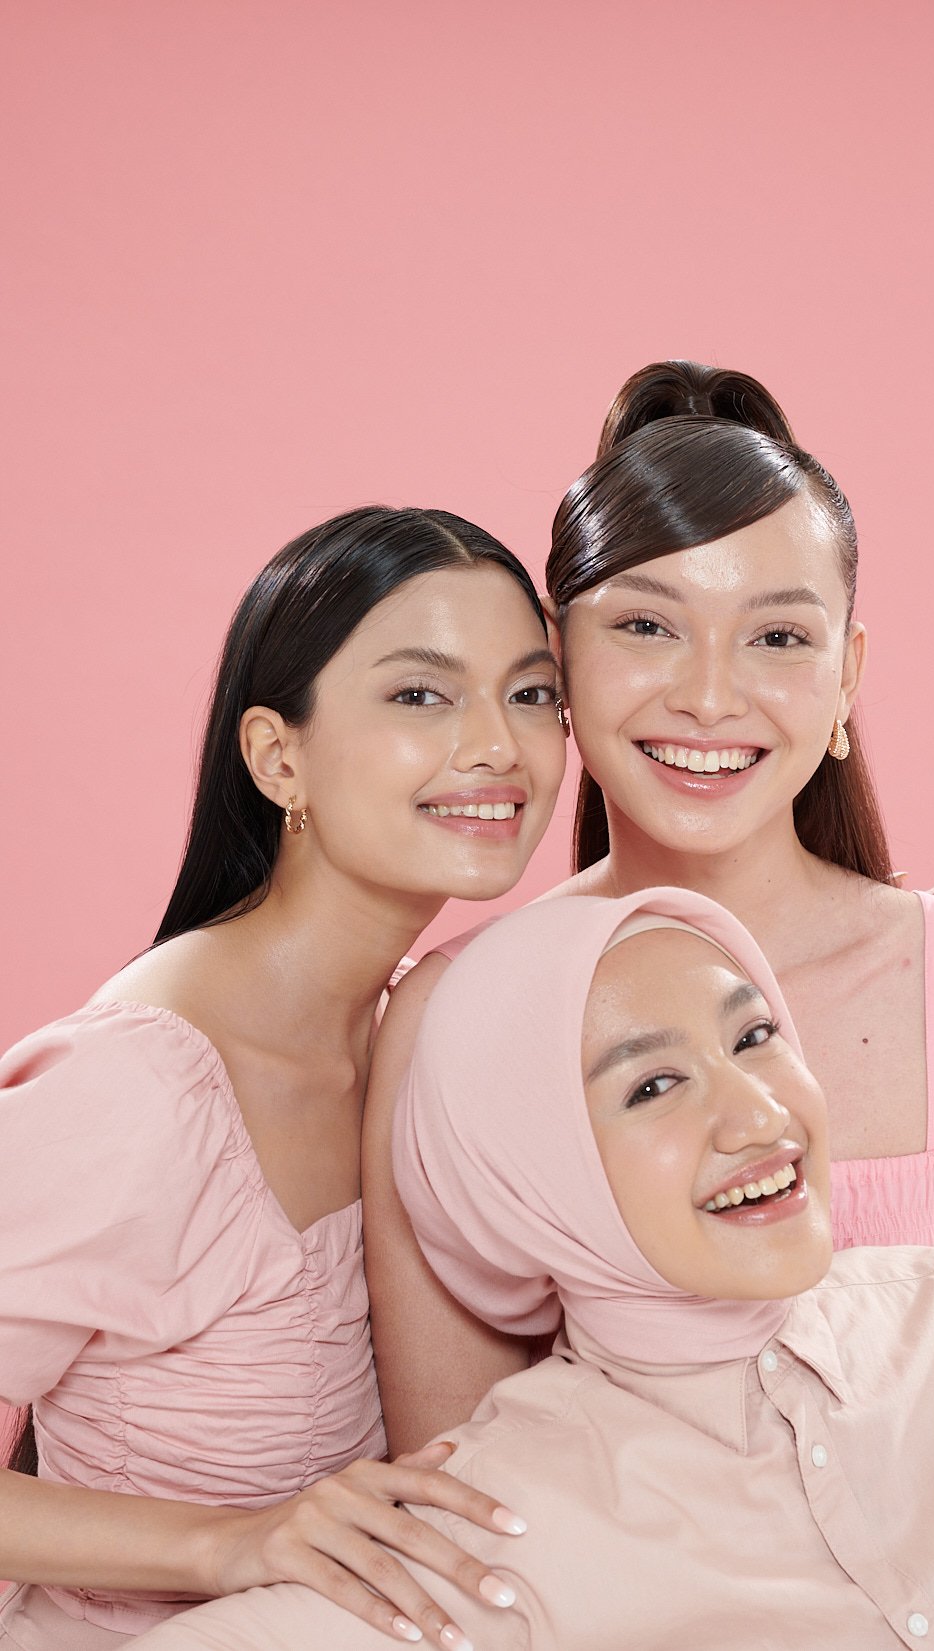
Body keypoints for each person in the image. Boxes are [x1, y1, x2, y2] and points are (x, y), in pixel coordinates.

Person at [364, 364, 934, 1456]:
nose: (707, 696)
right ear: (557, 660)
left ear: (847, 676)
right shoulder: (455, 1015)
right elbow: (451, 1485)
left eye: (778, 637)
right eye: (647, 625)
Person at [127, 888, 934, 1651]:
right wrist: (211, 1546)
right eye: (653, 1084)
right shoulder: (486, 1528)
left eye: (755, 1036)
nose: (760, 1115)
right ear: (535, 1181)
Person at [0, 506, 567, 1650]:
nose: (498, 746)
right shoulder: (136, 1089)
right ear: (277, 756)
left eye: (531, 692)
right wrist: (231, 1541)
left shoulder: (425, 1032)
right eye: (421, 693)